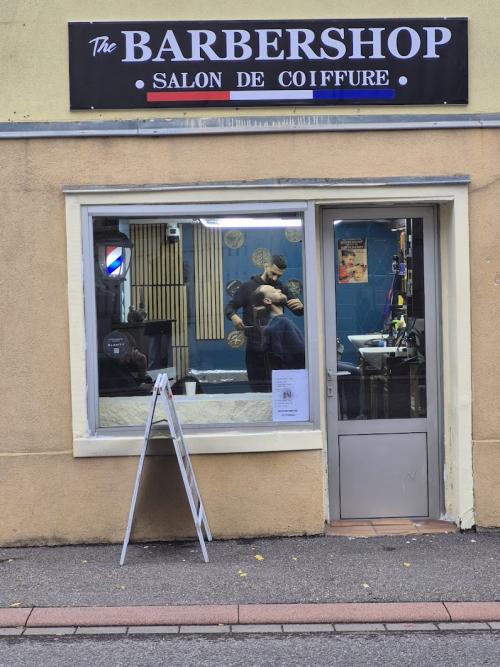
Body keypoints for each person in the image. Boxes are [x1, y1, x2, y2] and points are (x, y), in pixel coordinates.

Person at [225, 255, 303, 391]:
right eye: (273, 273)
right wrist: (233, 316)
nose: (275, 279)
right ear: (266, 266)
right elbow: (230, 307)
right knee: (258, 389)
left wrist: (301, 307)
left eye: (279, 275)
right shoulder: (247, 287)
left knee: (280, 389)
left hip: (277, 349)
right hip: (255, 346)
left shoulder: (280, 288)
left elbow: (298, 311)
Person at [253, 284, 306, 376]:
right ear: (267, 300)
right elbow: (302, 355)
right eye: (274, 291)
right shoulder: (281, 324)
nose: (280, 291)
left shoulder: (275, 325)